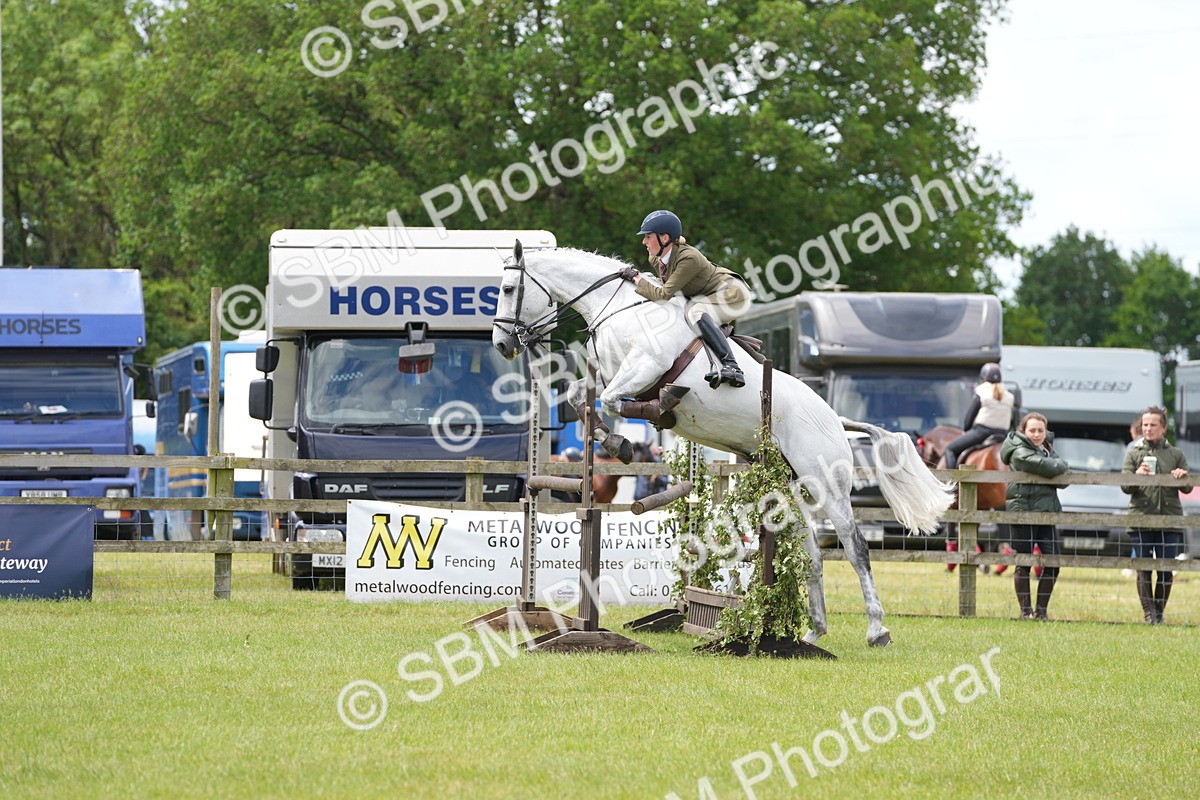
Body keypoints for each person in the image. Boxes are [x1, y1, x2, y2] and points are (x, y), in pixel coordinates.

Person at [619, 210, 753, 389]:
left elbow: (663, 295)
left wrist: (636, 278)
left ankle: (732, 366)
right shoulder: (656, 258)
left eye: (648, 236)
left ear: (664, 238)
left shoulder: (688, 258)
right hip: (708, 294)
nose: (644, 241)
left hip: (733, 294)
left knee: (695, 311)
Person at [1122, 406, 1191, 624]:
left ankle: (1159, 614)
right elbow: (1125, 487)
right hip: (1140, 518)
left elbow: (1188, 488)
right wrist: (1136, 476)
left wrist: (1182, 477)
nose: (1148, 429)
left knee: (1165, 569)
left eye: (1153, 425)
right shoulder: (1133, 453)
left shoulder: (1176, 454)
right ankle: (1149, 614)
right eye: (1145, 425)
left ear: (1163, 427)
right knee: (1143, 569)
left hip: (1169, 520)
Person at [1000, 412, 1068, 619]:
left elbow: (1063, 481)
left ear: (1046, 431)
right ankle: (1025, 611)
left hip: (1046, 513)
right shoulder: (1019, 451)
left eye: (1041, 430)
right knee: (1023, 563)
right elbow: (1051, 467)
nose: (1037, 434)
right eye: (1032, 430)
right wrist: (1058, 467)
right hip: (1023, 512)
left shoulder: (1046, 449)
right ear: (1023, 431)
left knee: (1053, 563)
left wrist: (1055, 470)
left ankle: (1041, 612)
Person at [943, 363, 1014, 469]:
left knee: (950, 449)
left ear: (984, 378)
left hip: (982, 432)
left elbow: (969, 418)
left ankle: (952, 483)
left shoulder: (982, 391)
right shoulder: (1009, 396)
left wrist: (966, 429)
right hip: (1003, 434)